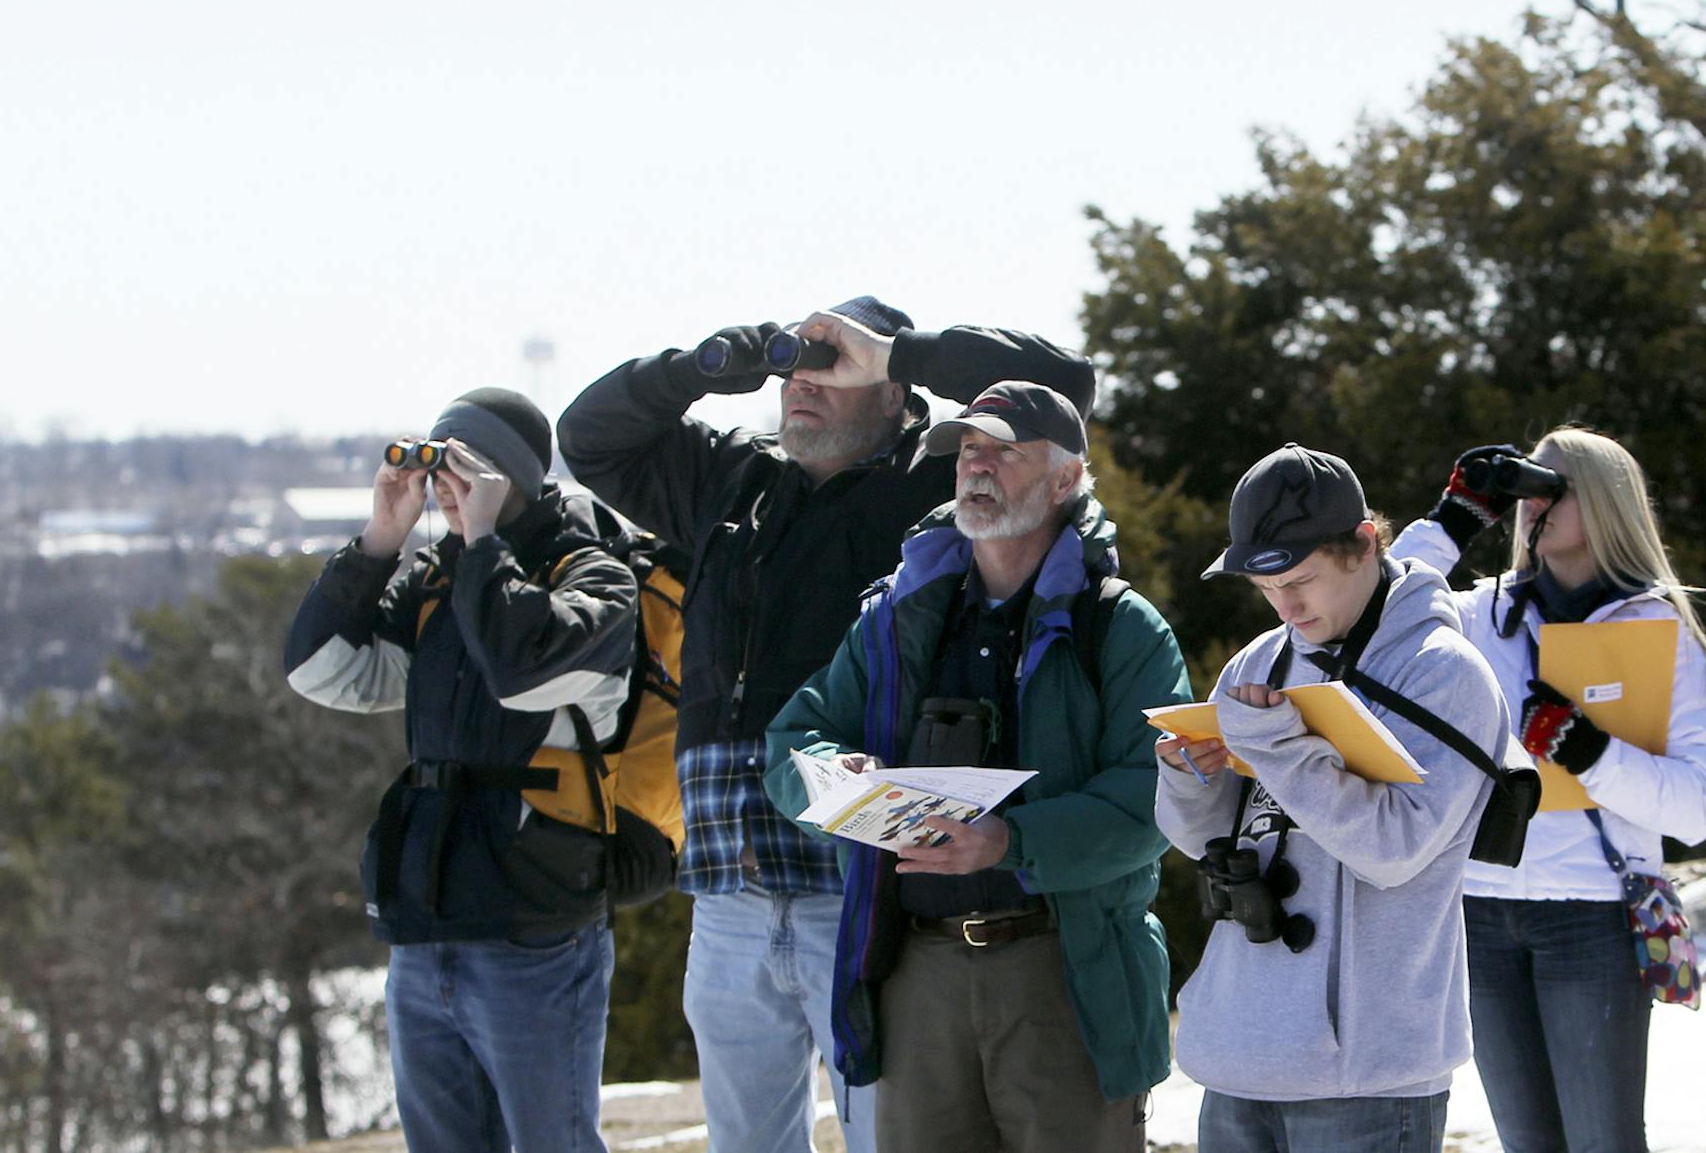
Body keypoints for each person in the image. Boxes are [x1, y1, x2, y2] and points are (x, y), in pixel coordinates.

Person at [557, 301, 1093, 1153]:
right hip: (727, 885)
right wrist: (698, 370)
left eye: (831, 367)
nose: (802, 380)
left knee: (891, 1136)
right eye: (794, 369)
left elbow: (1067, 384)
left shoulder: (928, 486)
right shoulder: (731, 478)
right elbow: (588, 439)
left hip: (860, 885)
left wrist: (898, 351)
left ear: (892, 393)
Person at [762, 380, 1191, 1152]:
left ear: (1066, 479)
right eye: (969, 450)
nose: (977, 468)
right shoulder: (898, 614)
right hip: (914, 973)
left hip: (1067, 971)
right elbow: (793, 739)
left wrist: (1008, 842)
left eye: (1004, 452)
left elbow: (1154, 799)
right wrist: (835, 775)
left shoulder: (1122, 626)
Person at [284, 388, 639, 1153]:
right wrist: (381, 540)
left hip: (533, 927)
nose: (445, 486)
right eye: (438, 467)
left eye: (465, 469)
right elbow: (319, 671)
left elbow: (520, 670)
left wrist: (481, 543)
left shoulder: (598, 581)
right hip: (427, 912)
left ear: (513, 475)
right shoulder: (437, 584)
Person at [1394, 429, 1706, 1153]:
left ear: (1606, 501)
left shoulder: (1659, 627)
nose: (1530, 502)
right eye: (1522, 485)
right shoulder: (1479, 616)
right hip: (1480, 909)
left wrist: (1591, 753)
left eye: (1551, 486)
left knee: (1603, 1142)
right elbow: (1372, 625)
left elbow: (1702, 808)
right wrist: (1453, 518)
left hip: (1593, 917)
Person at [1158, 443, 1507, 1153]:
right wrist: (1189, 775)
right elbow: (1208, 841)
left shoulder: (1445, 673)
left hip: (1368, 1072)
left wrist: (1280, 746)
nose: (1286, 606)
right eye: (1265, 589)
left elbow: (1394, 851)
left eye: (1302, 580)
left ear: (1364, 544)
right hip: (1239, 1051)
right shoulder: (1259, 661)